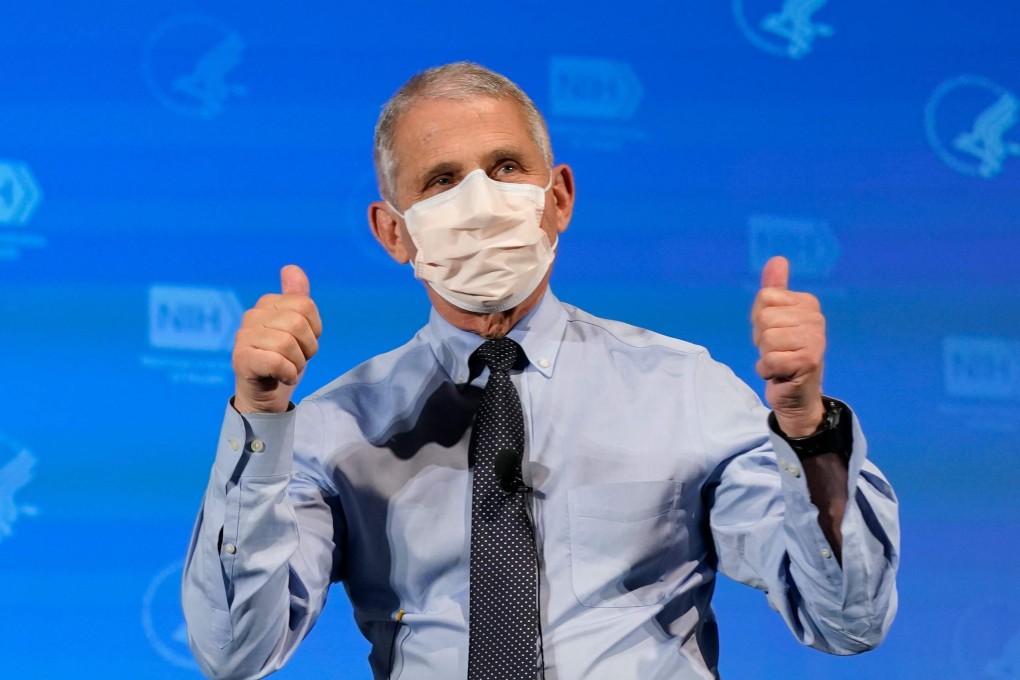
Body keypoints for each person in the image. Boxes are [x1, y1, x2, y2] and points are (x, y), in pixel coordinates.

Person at [182, 62, 899, 680]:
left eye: (504, 168)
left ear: (557, 197)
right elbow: (234, 651)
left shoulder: (686, 390)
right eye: (441, 181)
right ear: (393, 231)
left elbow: (847, 617)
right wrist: (261, 419)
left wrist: (807, 430)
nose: (480, 202)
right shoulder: (338, 427)